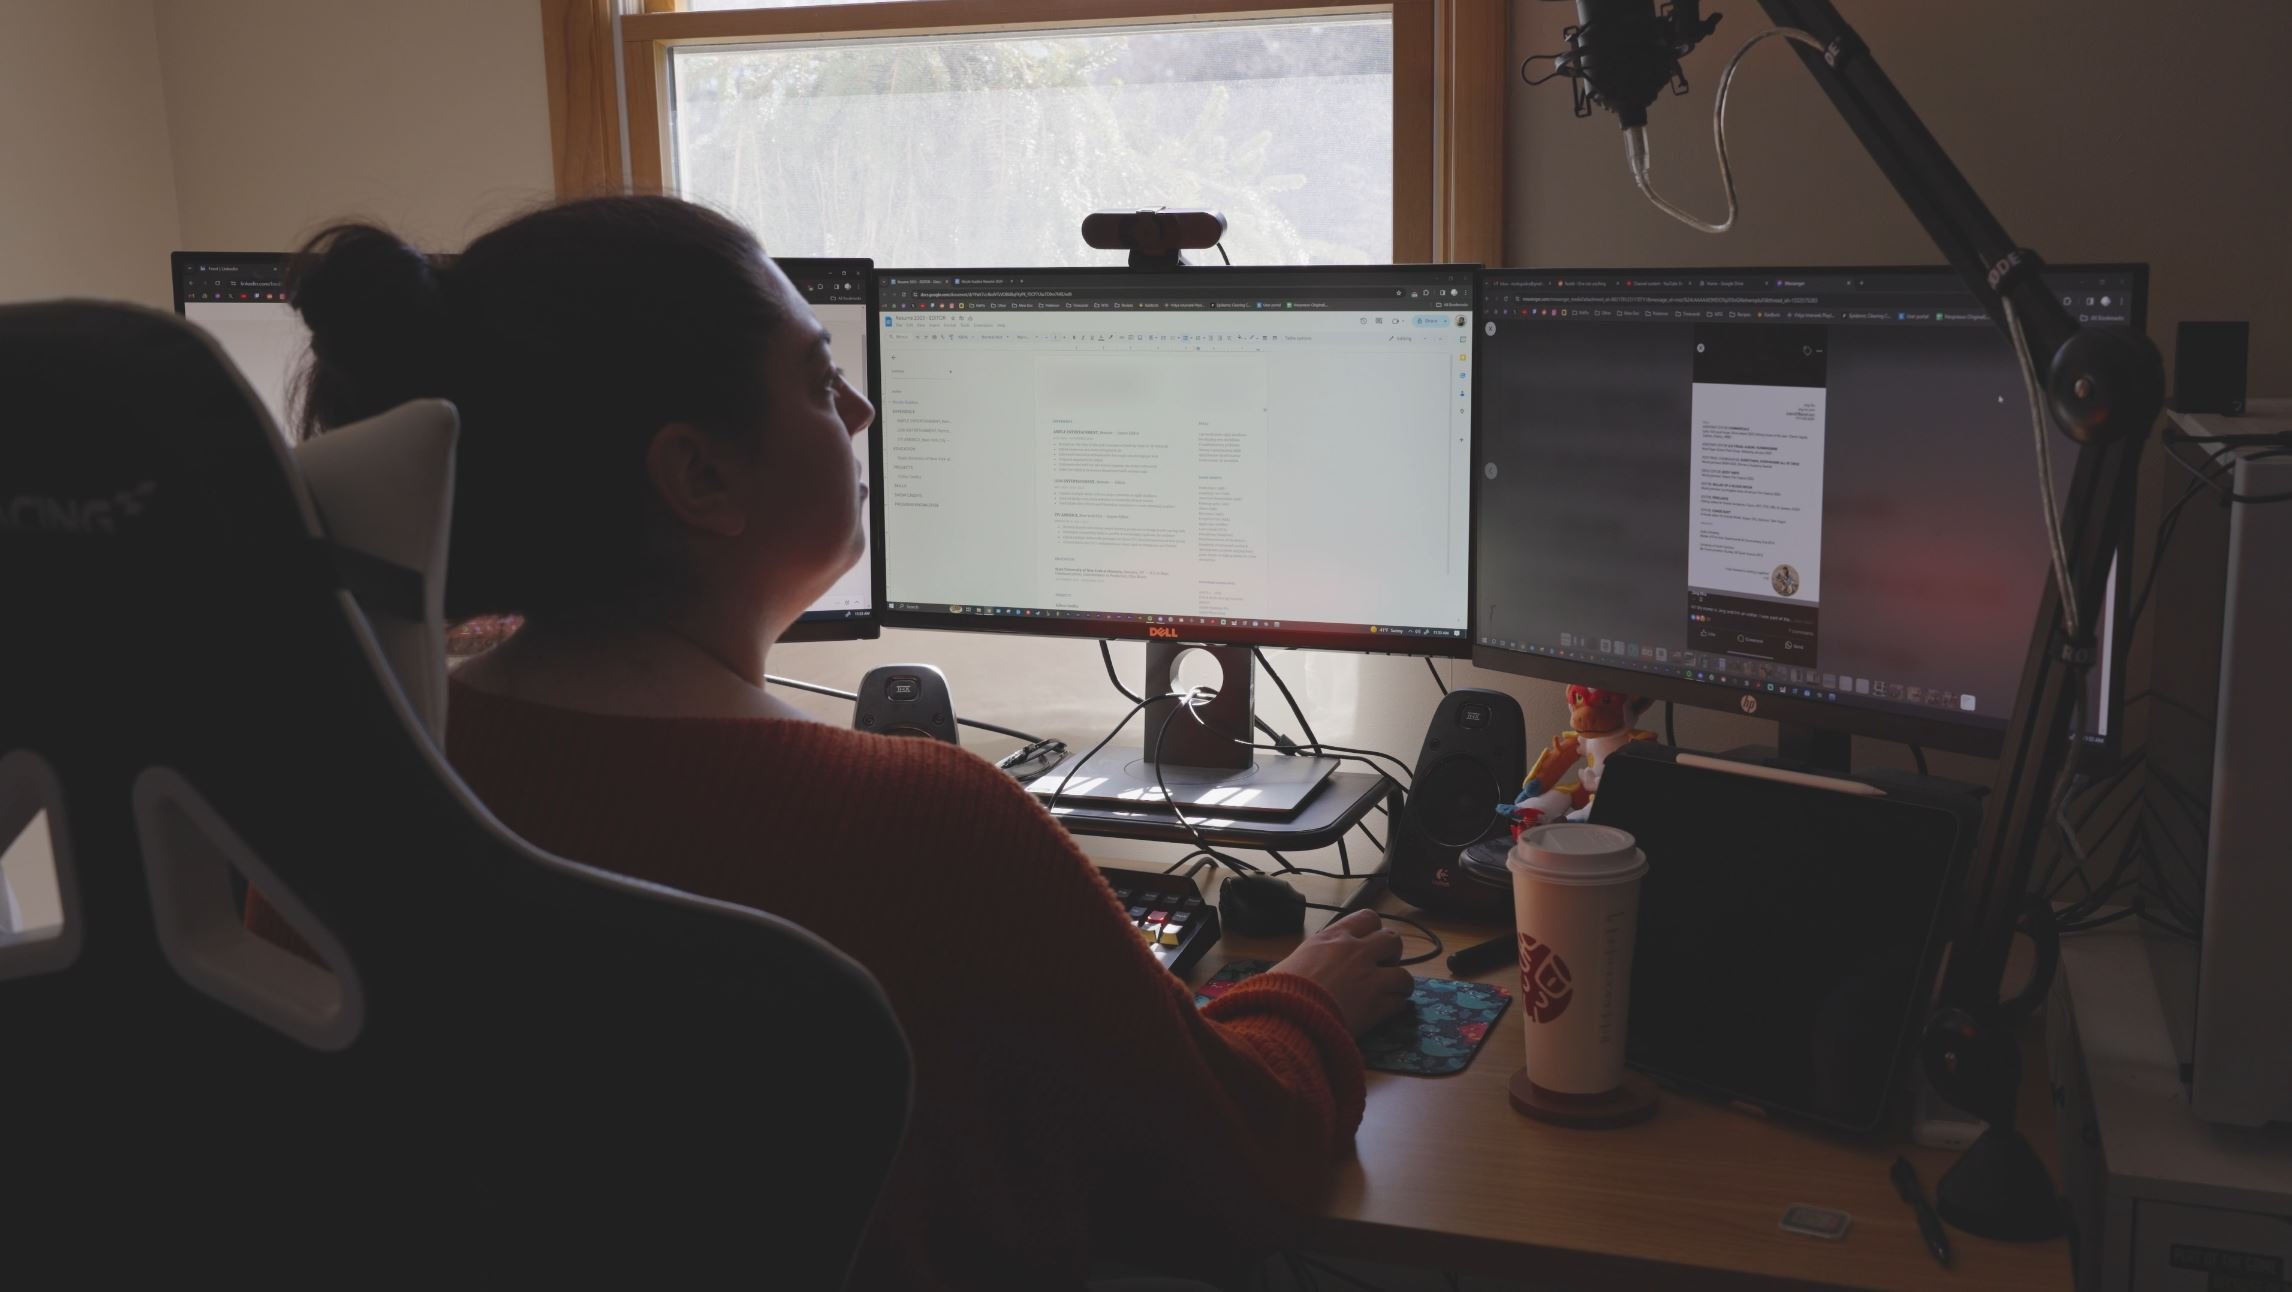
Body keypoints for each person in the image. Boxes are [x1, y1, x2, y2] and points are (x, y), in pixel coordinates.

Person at [249, 195, 1412, 1290]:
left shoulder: (333, 784)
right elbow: (1241, 1170)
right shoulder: (927, 826)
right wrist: (1302, 1001)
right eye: (818, 380)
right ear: (701, 475)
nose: (857, 414)